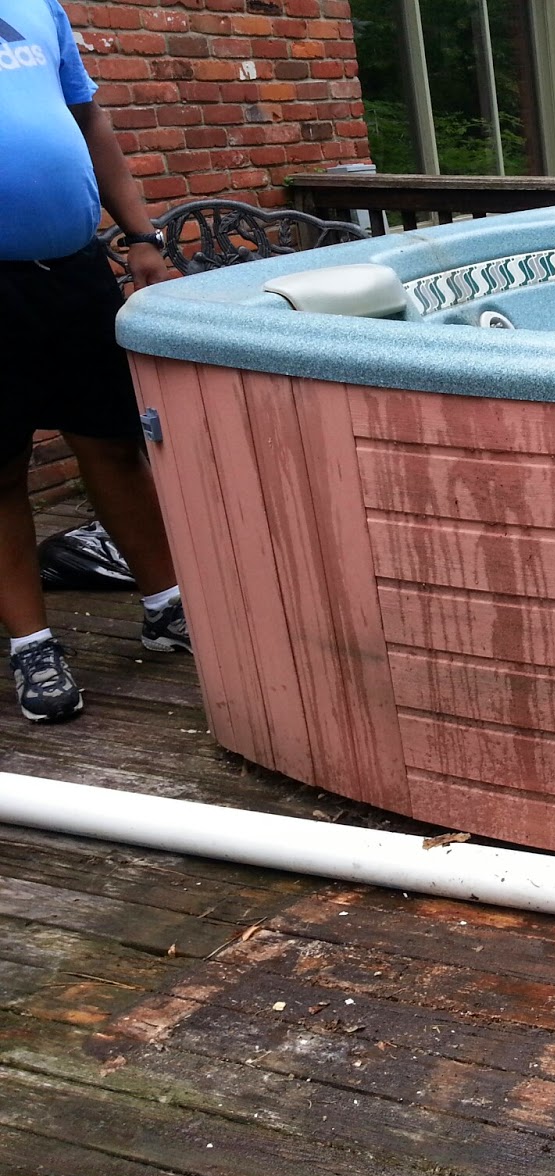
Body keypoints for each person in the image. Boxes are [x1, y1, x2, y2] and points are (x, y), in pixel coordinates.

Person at [1, 0, 189, 723]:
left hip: (73, 269)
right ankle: (33, 646)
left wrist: (142, 234)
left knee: (114, 444)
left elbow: (91, 122)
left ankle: (165, 610)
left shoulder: (36, 6)